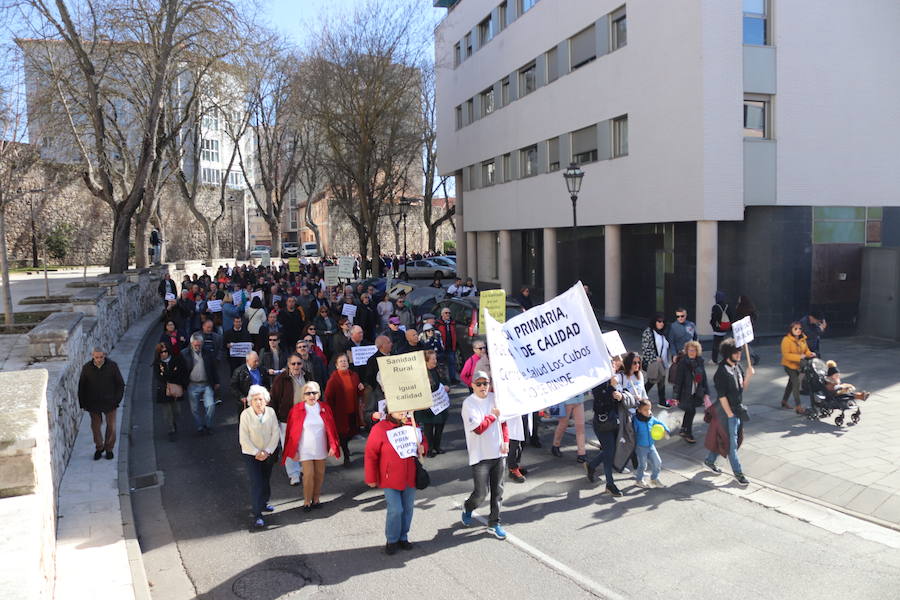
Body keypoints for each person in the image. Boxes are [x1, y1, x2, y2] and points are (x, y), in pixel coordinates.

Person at [364, 409, 425, 555]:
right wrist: (371, 478)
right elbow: (371, 454)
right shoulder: (380, 428)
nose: (403, 412)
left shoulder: (412, 425)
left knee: (408, 509)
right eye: (399, 409)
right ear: (390, 410)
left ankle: (403, 537)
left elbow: (423, 443)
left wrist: (423, 448)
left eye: (405, 409)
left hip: (410, 476)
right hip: (389, 478)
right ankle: (391, 540)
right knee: (396, 510)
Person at [460, 371, 510, 540]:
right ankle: (468, 507)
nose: (483, 387)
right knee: (481, 493)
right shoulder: (468, 404)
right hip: (480, 455)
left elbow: (503, 422)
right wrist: (492, 416)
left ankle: (494, 523)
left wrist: (506, 440)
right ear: (472, 385)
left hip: (498, 452)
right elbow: (478, 429)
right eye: (479, 384)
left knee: (498, 491)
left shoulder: (495, 398)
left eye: (486, 383)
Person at [282, 381, 340, 511]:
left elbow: (331, 429)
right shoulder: (296, 409)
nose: (311, 395)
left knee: (319, 474)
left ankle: (316, 499)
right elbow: (291, 433)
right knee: (308, 475)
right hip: (305, 449)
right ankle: (307, 501)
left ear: (319, 394)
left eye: (314, 392)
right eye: (308, 393)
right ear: (303, 396)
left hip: (320, 447)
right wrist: (294, 451)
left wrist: (333, 446)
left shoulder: (325, 408)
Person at [704, 338, 754, 486]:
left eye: (739, 351)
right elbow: (722, 396)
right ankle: (739, 474)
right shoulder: (721, 372)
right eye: (735, 352)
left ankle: (710, 460)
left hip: (737, 409)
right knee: (731, 444)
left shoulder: (737, 367)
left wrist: (749, 375)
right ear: (727, 354)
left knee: (735, 440)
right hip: (727, 413)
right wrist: (730, 415)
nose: (739, 354)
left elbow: (742, 388)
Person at [239, 385, 280, 528]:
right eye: (255, 399)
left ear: (266, 400)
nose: (258, 402)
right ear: (250, 401)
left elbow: (275, 433)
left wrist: (267, 451)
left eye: (260, 399)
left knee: (266, 479)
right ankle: (257, 514)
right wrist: (257, 452)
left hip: (268, 453)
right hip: (252, 455)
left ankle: (264, 503)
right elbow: (243, 438)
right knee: (256, 482)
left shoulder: (271, 412)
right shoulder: (246, 415)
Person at [586, 355, 627, 496]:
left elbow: (623, 396)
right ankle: (610, 484)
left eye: (614, 364)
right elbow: (600, 402)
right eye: (610, 364)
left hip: (615, 420)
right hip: (602, 422)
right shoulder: (598, 381)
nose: (613, 366)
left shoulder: (617, 378)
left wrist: (621, 396)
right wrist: (612, 388)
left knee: (612, 450)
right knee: (609, 453)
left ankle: (592, 465)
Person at [78, 347, 125, 460]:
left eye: (101, 357)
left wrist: (116, 400)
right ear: (93, 356)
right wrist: (83, 403)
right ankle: (99, 447)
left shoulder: (112, 366)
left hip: (110, 402)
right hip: (93, 403)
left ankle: (109, 449)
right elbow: (82, 387)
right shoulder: (87, 368)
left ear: (104, 355)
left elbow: (120, 384)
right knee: (95, 427)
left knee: (111, 426)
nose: (99, 359)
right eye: (96, 357)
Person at [269, 354, 306, 486]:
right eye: (293, 364)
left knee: (304, 443)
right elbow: (273, 399)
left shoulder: (307, 376)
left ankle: (304, 467)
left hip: (305, 416)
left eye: (299, 363)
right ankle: (293, 473)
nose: (296, 366)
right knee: (289, 446)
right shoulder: (281, 379)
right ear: (288, 365)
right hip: (287, 418)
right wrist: (274, 418)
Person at [324, 354, 365, 466]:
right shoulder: (333, 379)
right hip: (340, 413)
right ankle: (346, 455)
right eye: (341, 361)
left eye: (345, 361)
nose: (343, 363)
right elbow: (328, 397)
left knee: (353, 431)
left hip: (353, 410)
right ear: (336, 365)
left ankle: (345, 446)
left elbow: (358, 393)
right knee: (343, 434)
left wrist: (361, 389)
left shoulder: (354, 375)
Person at [671, 340, 709, 444]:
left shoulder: (700, 361)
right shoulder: (683, 363)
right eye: (690, 350)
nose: (692, 352)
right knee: (691, 411)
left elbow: (704, 377)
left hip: (696, 392)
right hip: (685, 393)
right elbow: (678, 380)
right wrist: (675, 396)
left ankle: (683, 429)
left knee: (689, 411)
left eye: (694, 350)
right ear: (686, 351)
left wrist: (706, 392)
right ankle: (689, 433)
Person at [182, 333, 219, 434]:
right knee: (195, 409)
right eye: (195, 345)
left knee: (210, 406)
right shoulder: (185, 354)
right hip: (192, 384)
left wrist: (216, 381)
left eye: (199, 345)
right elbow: (182, 370)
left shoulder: (207, 352)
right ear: (191, 344)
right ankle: (199, 427)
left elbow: (213, 367)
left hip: (206, 383)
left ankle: (207, 425)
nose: (198, 347)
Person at [416, 350, 450, 457]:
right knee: (428, 428)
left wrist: (446, 386)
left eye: (435, 358)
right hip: (428, 406)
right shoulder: (421, 373)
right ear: (426, 361)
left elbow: (444, 380)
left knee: (440, 426)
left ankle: (437, 446)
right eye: (433, 359)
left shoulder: (438, 369)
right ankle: (430, 449)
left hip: (440, 404)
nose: (435, 361)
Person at [632, 399, 670, 488]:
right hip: (641, 447)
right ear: (639, 410)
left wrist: (666, 430)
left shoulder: (651, 418)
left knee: (658, 462)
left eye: (649, 409)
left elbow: (660, 423)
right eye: (645, 410)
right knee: (642, 465)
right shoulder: (635, 420)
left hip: (651, 445)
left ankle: (654, 479)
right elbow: (632, 433)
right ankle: (639, 480)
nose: (648, 412)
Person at [780, 322, 816, 414]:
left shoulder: (802, 339)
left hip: (798, 365)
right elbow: (786, 355)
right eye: (795, 329)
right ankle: (798, 406)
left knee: (791, 383)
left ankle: (784, 401)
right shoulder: (786, 340)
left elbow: (806, 350)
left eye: (800, 329)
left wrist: (809, 353)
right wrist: (799, 357)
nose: (798, 331)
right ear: (791, 330)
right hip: (789, 365)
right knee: (796, 383)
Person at [154, 343, 186, 441]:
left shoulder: (175, 360)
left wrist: (166, 373)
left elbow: (180, 373)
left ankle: (174, 423)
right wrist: (171, 373)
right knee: (167, 413)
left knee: (177, 411)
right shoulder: (157, 364)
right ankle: (171, 430)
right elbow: (160, 378)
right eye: (161, 352)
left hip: (175, 388)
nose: (164, 354)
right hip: (164, 390)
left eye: (165, 352)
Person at [640, 313, 671, 409]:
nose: (661, 324)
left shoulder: (663, 333)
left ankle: (661, 401)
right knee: (653, 380)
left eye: (663, 322)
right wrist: (655, 358)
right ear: (654, 321)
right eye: (659, 321)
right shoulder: (648, 332)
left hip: (662, 363)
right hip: (653, 362)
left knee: (659, 380)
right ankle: (641, 397)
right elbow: (645, 348)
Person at [549, 392, 587, 463]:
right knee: (563, 425)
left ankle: (581, 453)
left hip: (579, 400)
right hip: (566, 400)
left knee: (580, 426)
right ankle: (555, 445)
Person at [436, 308, 459, 384]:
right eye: (446, 313)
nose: (448, 314)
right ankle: (443, 380)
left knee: (452, 363)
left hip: (451, 346)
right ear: (442, 314)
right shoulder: (438, 323)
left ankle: (453, 379)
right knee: (442, 364)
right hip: (442, 347)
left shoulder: (452, 323)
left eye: (449, 313)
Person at [710, 291, 733, 363]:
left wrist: (713, 325)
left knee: (716, 345)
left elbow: (713, 319)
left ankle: (714, 360)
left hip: (717, 329)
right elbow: (731, 317)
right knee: (724, 345)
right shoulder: (727, 306)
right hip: (725, 328)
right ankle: (727, 358)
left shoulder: (715, 307)